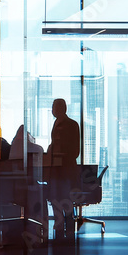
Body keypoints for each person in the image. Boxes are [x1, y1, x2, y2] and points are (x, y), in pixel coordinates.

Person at [46, 99, 80, 239]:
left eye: (54, 107)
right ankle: (63, 225)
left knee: (63, 197)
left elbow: (73, 150)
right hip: (58, 168)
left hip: (64, 168)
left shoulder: (70, 125)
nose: (52, 110)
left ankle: (66, 226)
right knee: (57, 197)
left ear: (61, 108)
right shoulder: (60, 123)